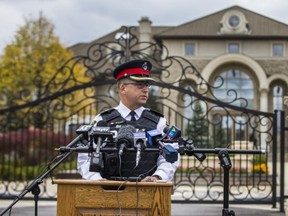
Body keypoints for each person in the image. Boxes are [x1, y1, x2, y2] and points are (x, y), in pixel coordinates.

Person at [77, 59, 179, 182]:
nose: (145, 89)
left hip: (148, 191)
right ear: (123, 88)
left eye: (147, 85)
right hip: (108, 192)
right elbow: (85, 157)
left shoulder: (158, 122)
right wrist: (98, 180)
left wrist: (157, 177)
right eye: (139, 85)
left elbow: (171, 156)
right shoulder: (102, 120)